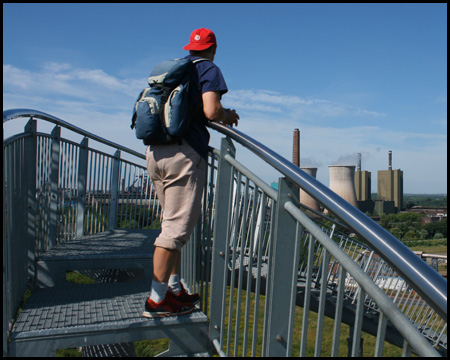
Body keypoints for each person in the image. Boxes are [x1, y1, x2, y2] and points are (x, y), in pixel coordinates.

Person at [143, 28, 239, 318]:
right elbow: (211, 111)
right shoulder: (209, 69)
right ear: (214, 48)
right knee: (174, 232)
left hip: (155, 152)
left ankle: (174, 290)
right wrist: (228, 114)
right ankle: (156, 302)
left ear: (190, 48)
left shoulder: (174, 70)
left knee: (170, 225)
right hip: (184, 155)